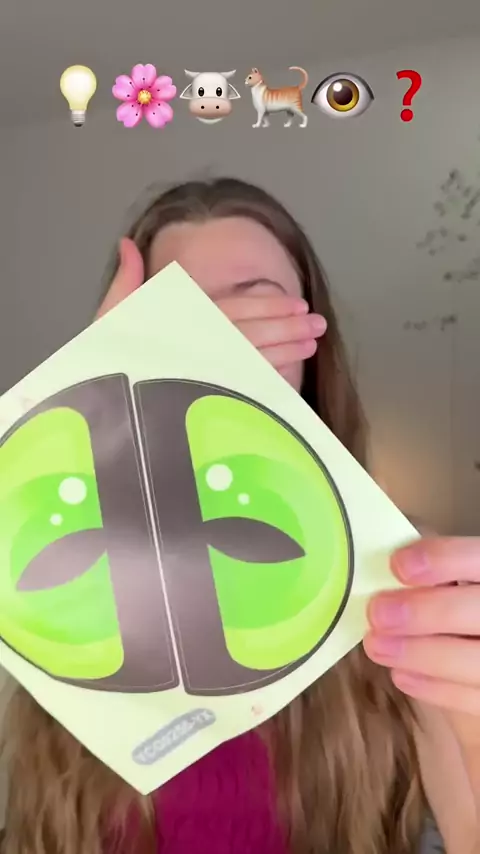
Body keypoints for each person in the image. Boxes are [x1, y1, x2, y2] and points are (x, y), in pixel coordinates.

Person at [1, 177, 479, 854]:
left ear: (313, 350)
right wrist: (88, 399)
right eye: (185, 313)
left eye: (258, 308)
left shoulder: (398, 572)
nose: (223, 342)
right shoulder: (61, 579)